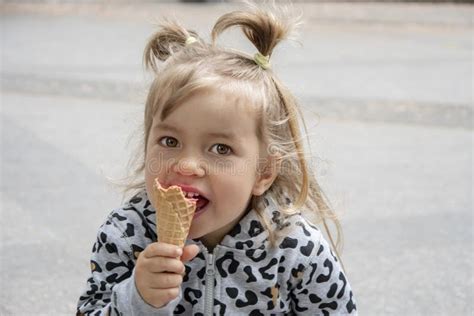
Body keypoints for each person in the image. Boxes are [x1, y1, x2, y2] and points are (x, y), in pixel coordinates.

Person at [77, 2, 357, 315]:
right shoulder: (127, 235)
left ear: (263, 171)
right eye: (170, 141)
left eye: (220, 148)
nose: (186, 164)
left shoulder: (296, 249)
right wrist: (138, 299)